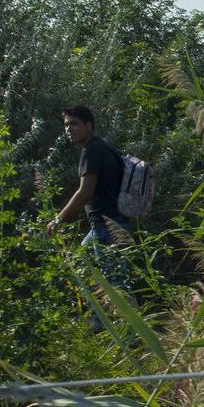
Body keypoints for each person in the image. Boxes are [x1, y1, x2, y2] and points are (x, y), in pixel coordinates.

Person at [48, 105, 135, 300]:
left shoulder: (92, 151)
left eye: (74, 124)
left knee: (117, 284)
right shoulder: (105, 147)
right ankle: (100, 323)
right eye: (66, 125)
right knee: (83, 265)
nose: (68, 129)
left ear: (89, 126)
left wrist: (58, 220)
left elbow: (85, 192)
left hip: (106, 227)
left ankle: (129, 326)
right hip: (112, 223)